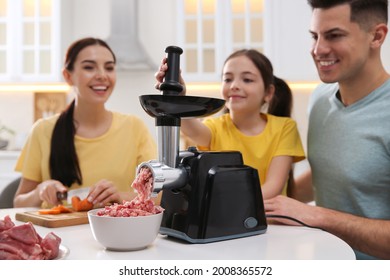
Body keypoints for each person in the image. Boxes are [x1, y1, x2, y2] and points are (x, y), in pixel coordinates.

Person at [264, 0, 390, 260]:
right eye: (315, 36)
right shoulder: (320, 99)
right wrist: (258, 200)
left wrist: (316, 216)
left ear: (377, 36)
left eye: (334, 35)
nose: (318, 49)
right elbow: (330, 173)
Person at [13, 37, 157, 208]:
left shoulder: (134, 127)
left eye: (109, 68)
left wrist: (120, 196)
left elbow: (156, 197)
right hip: (56, 232)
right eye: (89, 67)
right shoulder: (43, 130)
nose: (102, 75)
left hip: (113, 232)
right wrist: (41, 190)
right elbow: (18, 202)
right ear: (68, 76)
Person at [155, 49, 305, 199]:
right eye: (227, 79)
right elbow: (189, 126)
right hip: (224, 219)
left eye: (247, 79)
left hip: (271, 221)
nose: (234, 85)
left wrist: (229, 202)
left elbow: (273, 188)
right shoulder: (215, 128)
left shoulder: (284, 128)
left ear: (268, 93)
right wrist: (179, 96)